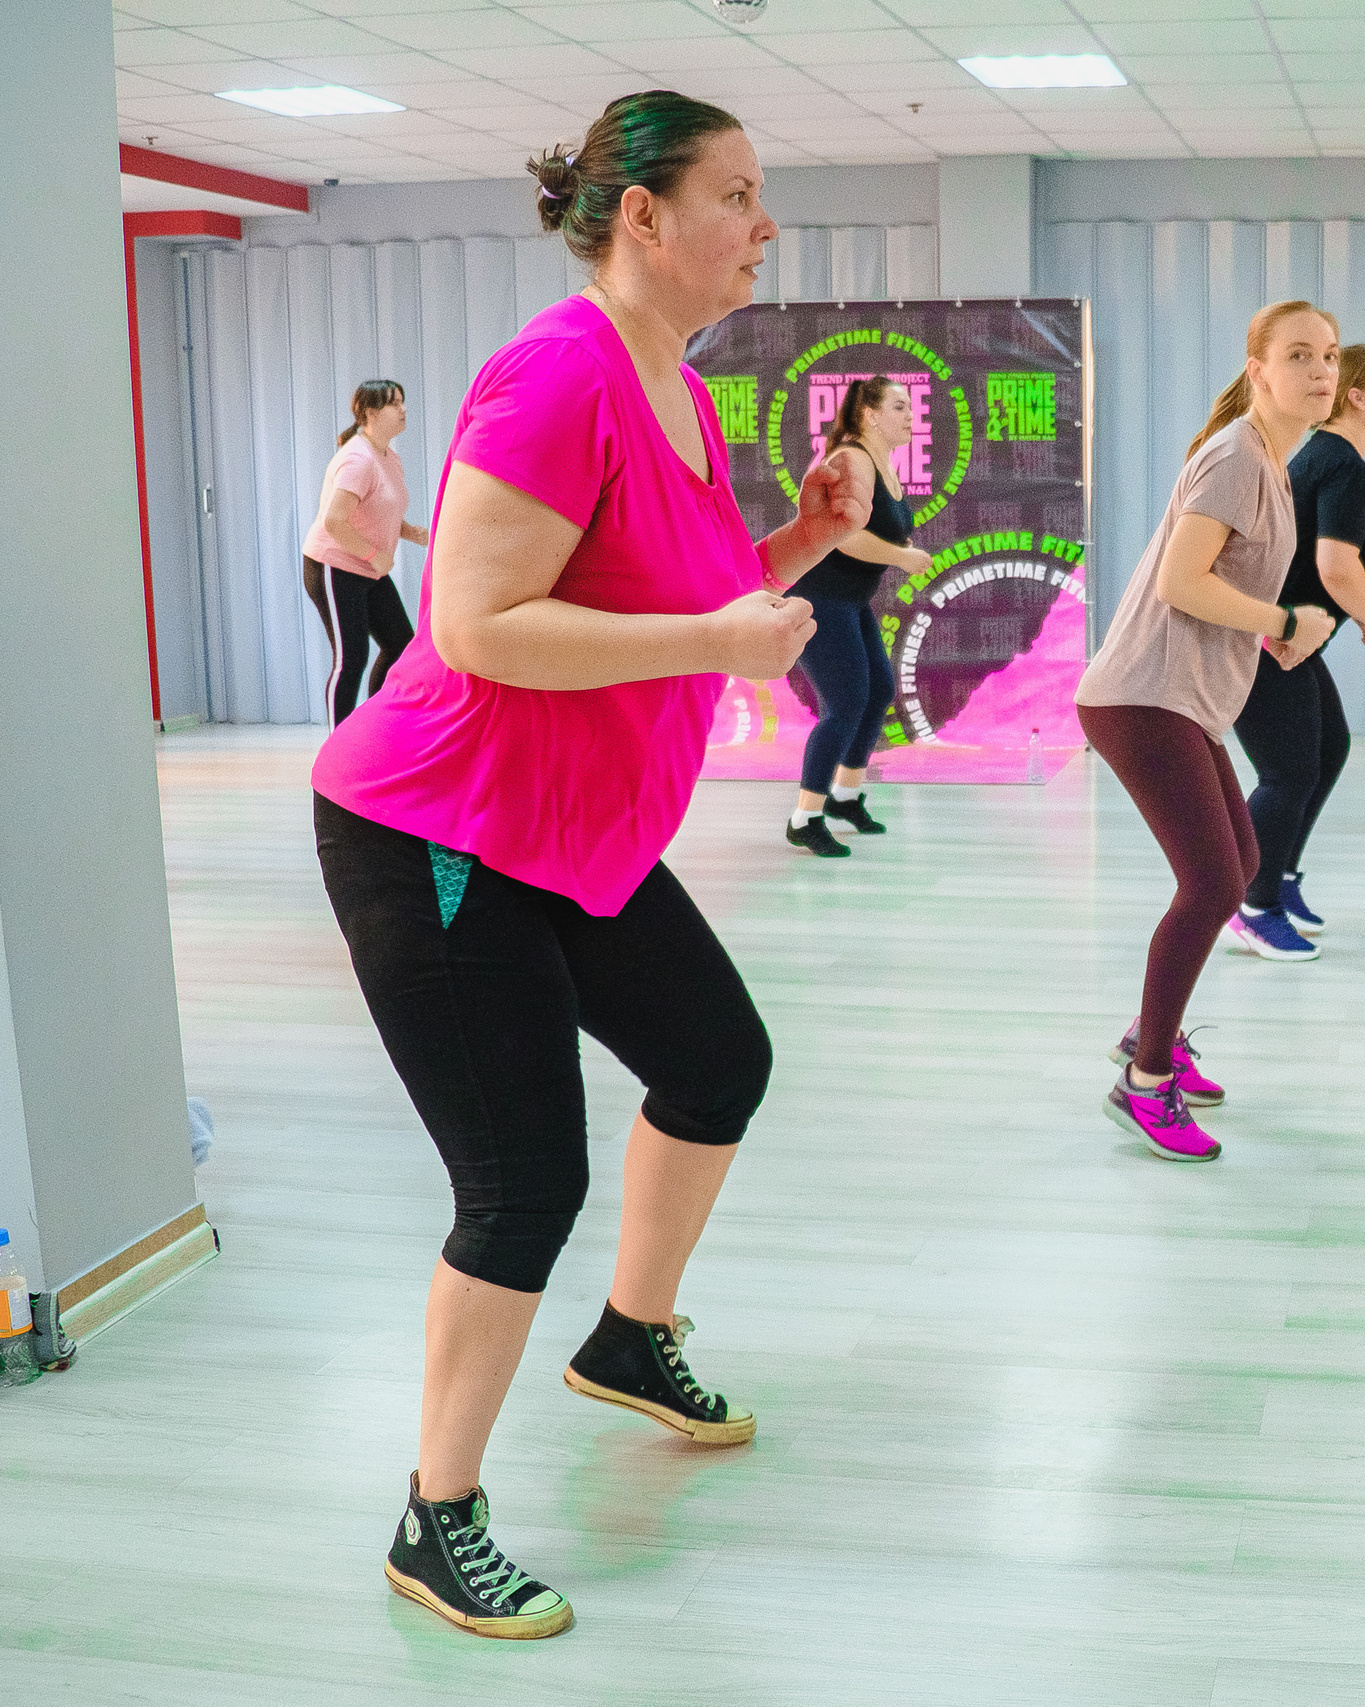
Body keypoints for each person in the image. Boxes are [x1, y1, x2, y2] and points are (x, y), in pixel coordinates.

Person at [309, 91, 874, 1640]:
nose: (765, 224)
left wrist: (797, 545)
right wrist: (716, 637)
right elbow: (477, 623)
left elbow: (677, 593)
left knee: (717, 1059)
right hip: (443, 828)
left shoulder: (675, 387)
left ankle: (628, 1334)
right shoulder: (560, 371)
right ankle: (435, 1514)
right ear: (642, 215)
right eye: (737, 194)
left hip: (572, 835)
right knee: (521, 1184)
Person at [1075, 300, 1340, 1161]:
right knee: (1212, 882)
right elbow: (1181, 582)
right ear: (1258, 370)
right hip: (1143, 694)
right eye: (1298, 355)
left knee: (1240, 865)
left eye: (1330, 355)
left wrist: (1271, 633)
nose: (1321, 370)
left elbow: (1216, 583)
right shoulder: (1236, 456)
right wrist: (1284, 618)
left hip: (1178, 695)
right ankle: (1145, 1080)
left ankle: (1149, 1032)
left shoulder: (1269, 460)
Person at [1225, 343, 1365, 961]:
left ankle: (1279, 876)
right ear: (1357, 397)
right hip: (1267, 637)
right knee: (1290, 770)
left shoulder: (1326, 456)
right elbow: (1336, 564)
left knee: (1329, 748)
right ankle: (1251, 902)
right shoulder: (1343, 465)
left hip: (1288, 639)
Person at [782, 375, 928, 857]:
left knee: (878, 691)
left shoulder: (884, 465)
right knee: (845, 703)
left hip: (850, 600)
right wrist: (901, 556)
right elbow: (843, 535)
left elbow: (879, 527)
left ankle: (845, 796)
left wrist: (900, 547)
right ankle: (805, 818)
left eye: (911, 407)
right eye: (899, 407)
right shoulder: (851, 458)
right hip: (818, 597)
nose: (911, 416)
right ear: (869, 415)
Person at [303, 379, 429, 726]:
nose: (403, 409)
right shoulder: (357, 460)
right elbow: (334, 521)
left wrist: (411, 532)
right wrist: (374, 554)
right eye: (394, 404)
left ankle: (373, 729)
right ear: (371, 414)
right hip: (334, 567)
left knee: (400, 645)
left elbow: (378, 509)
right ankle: (337, 749)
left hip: (368, 569)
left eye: (403, 401)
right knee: (351, 659)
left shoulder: (388, 456)